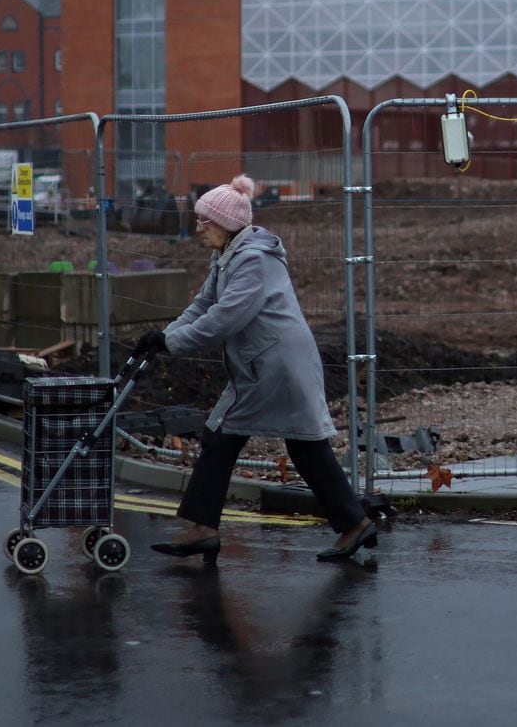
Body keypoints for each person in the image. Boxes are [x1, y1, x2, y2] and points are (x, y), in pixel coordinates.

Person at [138, 174, 378, 564]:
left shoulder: (252, 260)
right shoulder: (228, 255)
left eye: (206, 221)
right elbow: (203, 306)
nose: (199, 229)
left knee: (224, 436)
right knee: (302, 446)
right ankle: (354, 524)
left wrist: (173, 343)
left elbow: (225, 318)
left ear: (228, 224)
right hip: (268, 364)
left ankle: (204, 529)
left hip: (272, 366)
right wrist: (162, 335)